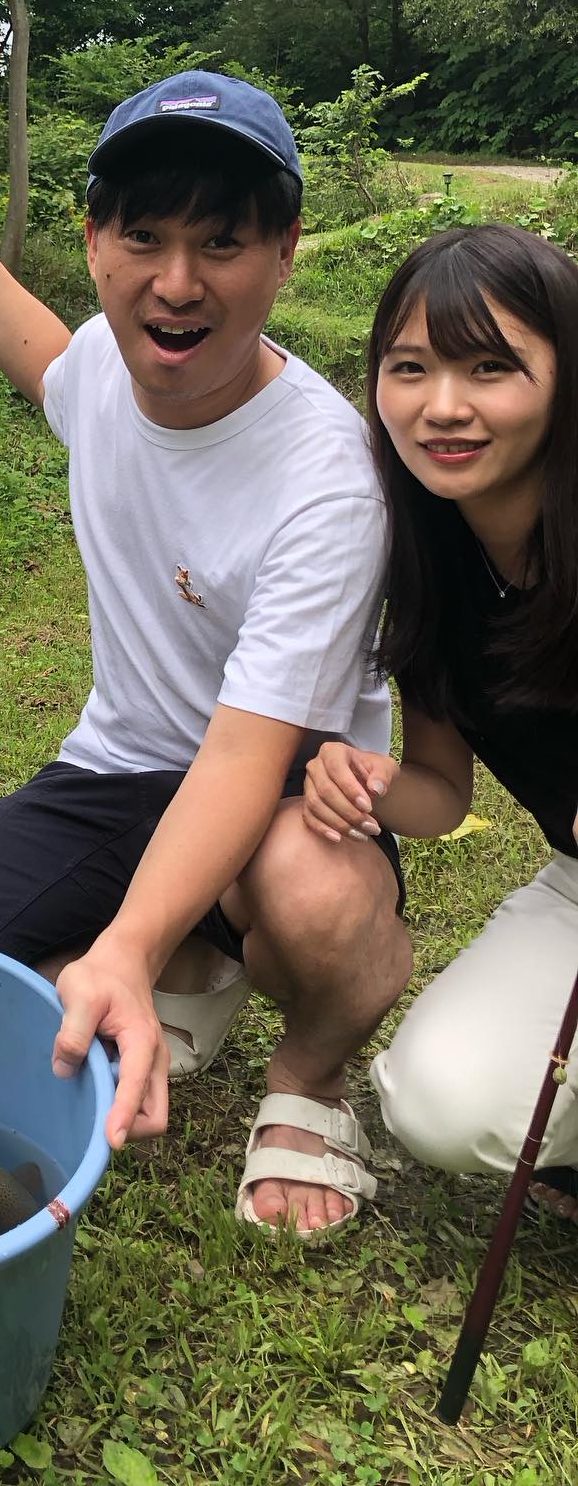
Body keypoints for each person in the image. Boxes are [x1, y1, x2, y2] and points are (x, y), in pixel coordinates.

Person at [0, 72, 412, 1235]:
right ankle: (187, 965)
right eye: (145, 238)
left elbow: (242, 756)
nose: (176, 283)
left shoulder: (329, 479)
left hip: (285, 796)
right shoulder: (104, 374)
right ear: (94, 242)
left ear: (285, 252)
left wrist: (120, 945)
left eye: (221, 242)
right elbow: (44, 356)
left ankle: (307, 1079)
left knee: (317, 899)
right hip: (112, 775)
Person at [301, 223, 578, 1224]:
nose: (444, 405)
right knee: (435, 1100)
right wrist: (363, 780)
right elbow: (442, 792)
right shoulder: (427, 559)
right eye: (410, 367)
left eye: (491, 367)